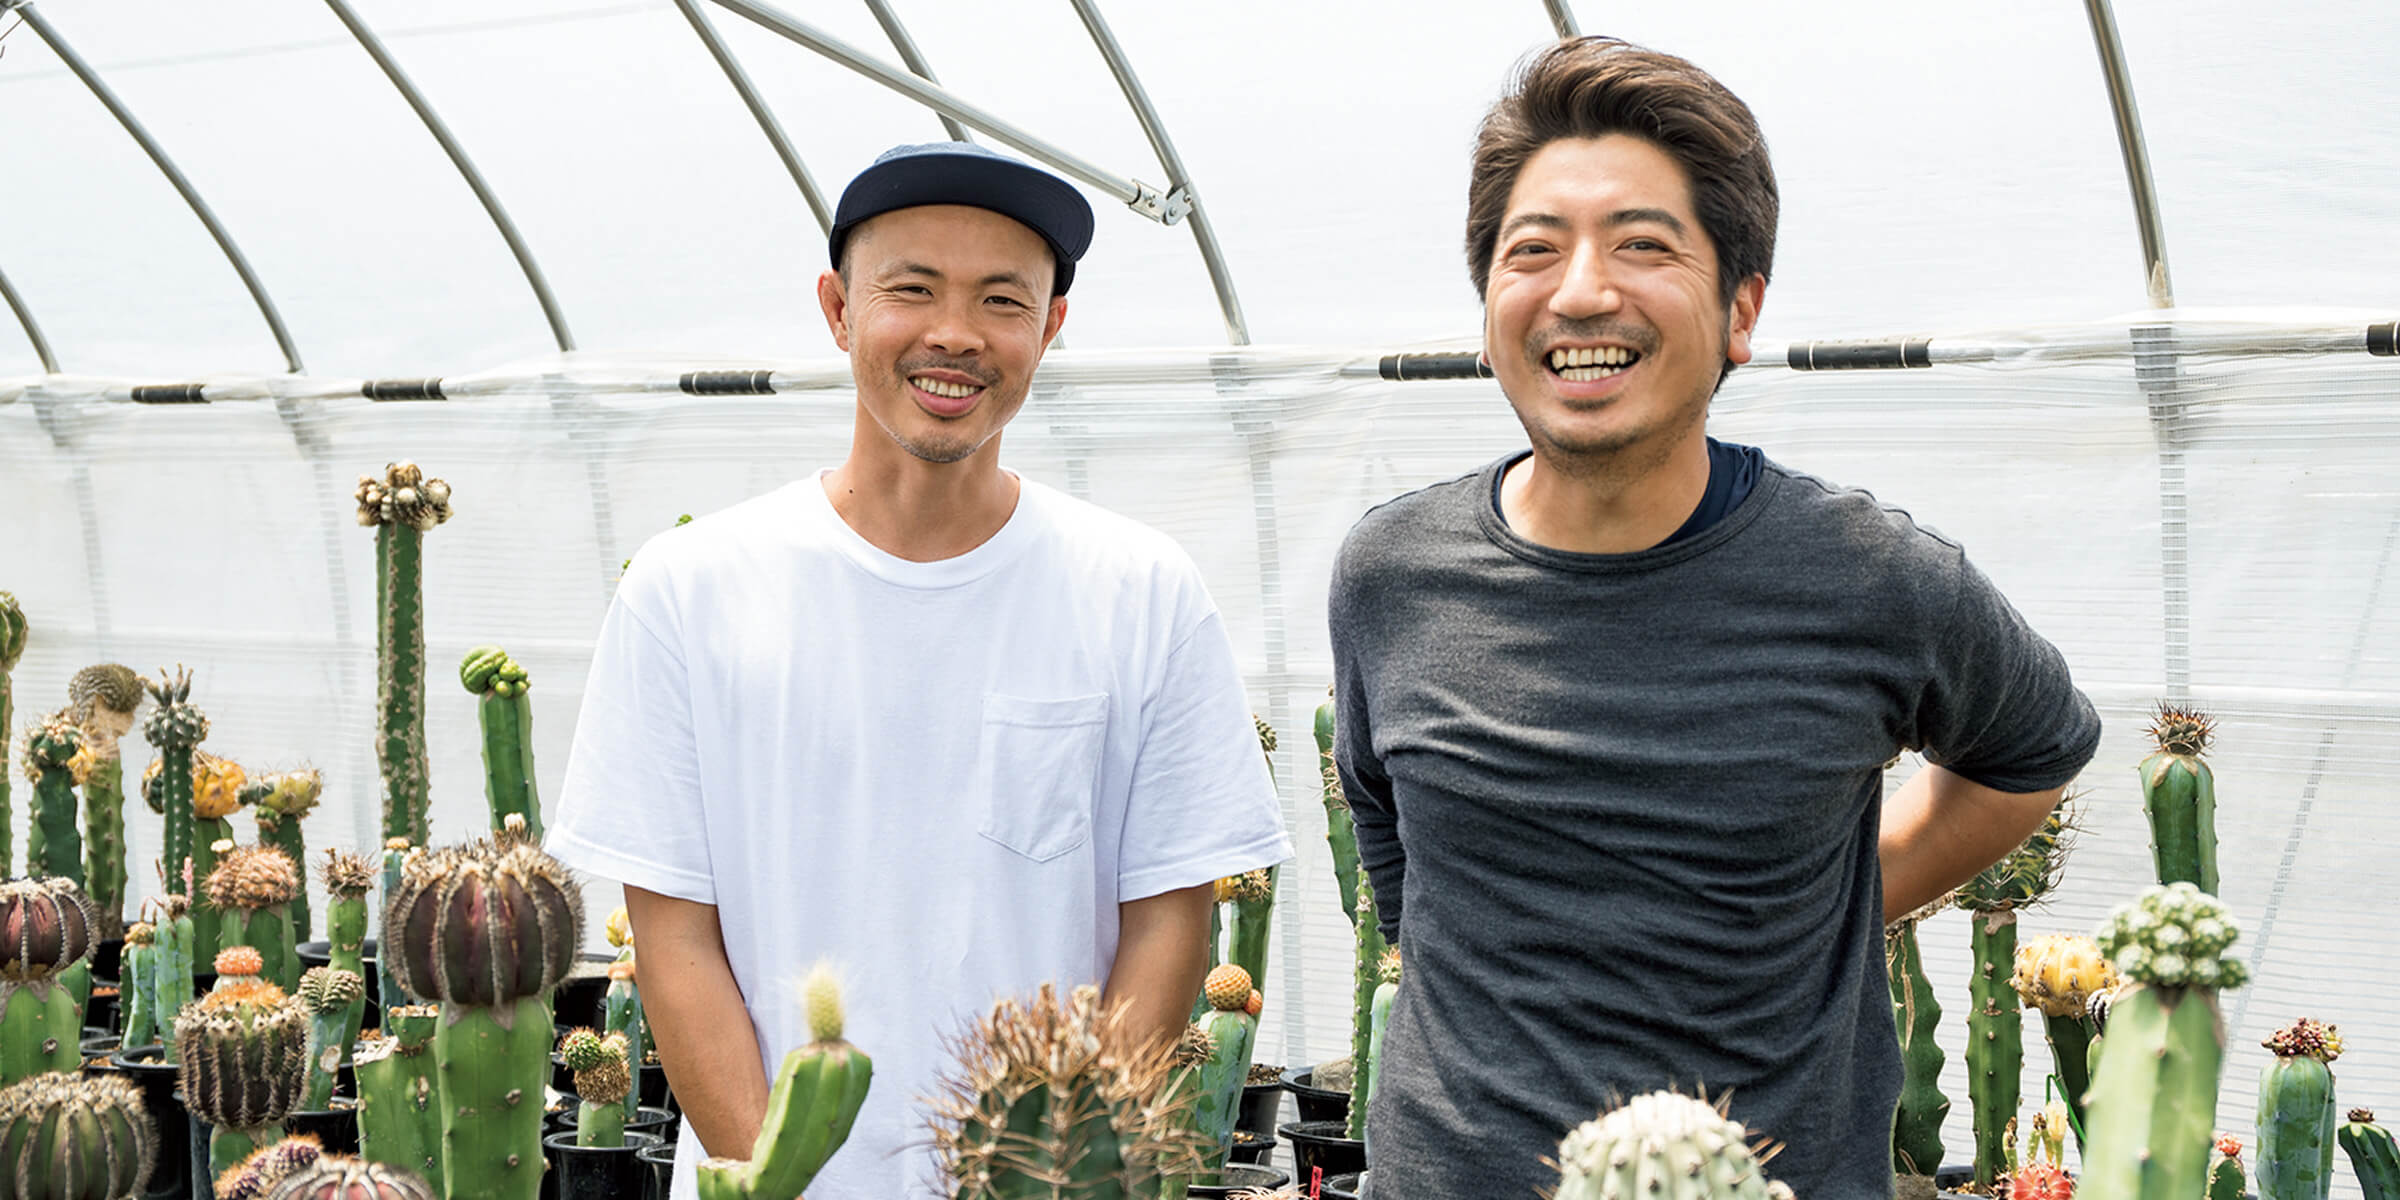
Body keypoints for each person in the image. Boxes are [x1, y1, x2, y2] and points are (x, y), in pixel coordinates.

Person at [1327, 37, 2101, 1199]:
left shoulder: (1870, 577)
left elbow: (2029, 753)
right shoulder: (1391, 572)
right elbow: (1398, 852)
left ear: (1741, 309)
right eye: (1532, 251)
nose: (1581, 290)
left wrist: (1823, 901)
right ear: (1491, 303)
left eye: (1643, 245)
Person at [547, 141, 1292, 1200]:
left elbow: (1167, 917)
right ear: (838, 310)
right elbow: (676, 936)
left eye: (1002, 299)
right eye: (912, 290)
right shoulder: (692, 587)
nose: (955, 334)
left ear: (1051, 328)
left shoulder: (1142, 591)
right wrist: (777, 1179)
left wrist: (1065, 1174)